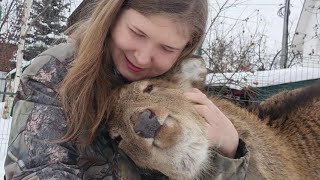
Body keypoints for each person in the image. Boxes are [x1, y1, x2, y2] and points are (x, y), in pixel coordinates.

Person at [5, 0, 250, 179]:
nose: (143, 58)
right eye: (137, 33)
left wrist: (228, 153)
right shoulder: (57, 73)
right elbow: (38, 171)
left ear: (186, 48)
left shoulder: (177, 88)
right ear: (113, 15)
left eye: (166, 48)